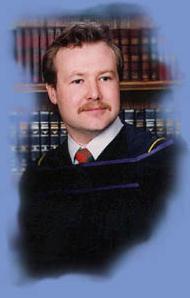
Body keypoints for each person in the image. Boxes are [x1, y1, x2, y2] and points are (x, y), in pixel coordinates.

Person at [18, 22, 177, 278]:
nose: (94, 93)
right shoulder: (39, 175)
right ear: (53, 92)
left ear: (118, 83)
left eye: (105, 78)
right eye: (78, 80)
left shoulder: (164, 164)